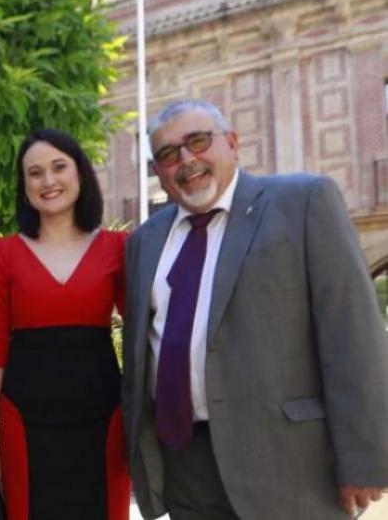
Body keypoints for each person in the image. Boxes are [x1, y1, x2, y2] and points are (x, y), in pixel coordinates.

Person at [122, 98, 388, 519]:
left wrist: (363, 458)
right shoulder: (146, 240)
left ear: (231, 141)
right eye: (169, 154)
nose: (186, 160)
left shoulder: (303, 202)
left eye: (198, 141)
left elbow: (352, 335)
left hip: (290, 464)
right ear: (157, 171)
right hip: (186, 466)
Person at [0, 128, 130, 520]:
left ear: (80, 173)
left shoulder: (118, 248)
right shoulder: (4, 253)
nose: (48, 180)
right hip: (24, 420)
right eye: (35, 173)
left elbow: (146, 335)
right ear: (24, 187)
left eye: (59, 167)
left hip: (104, 416)